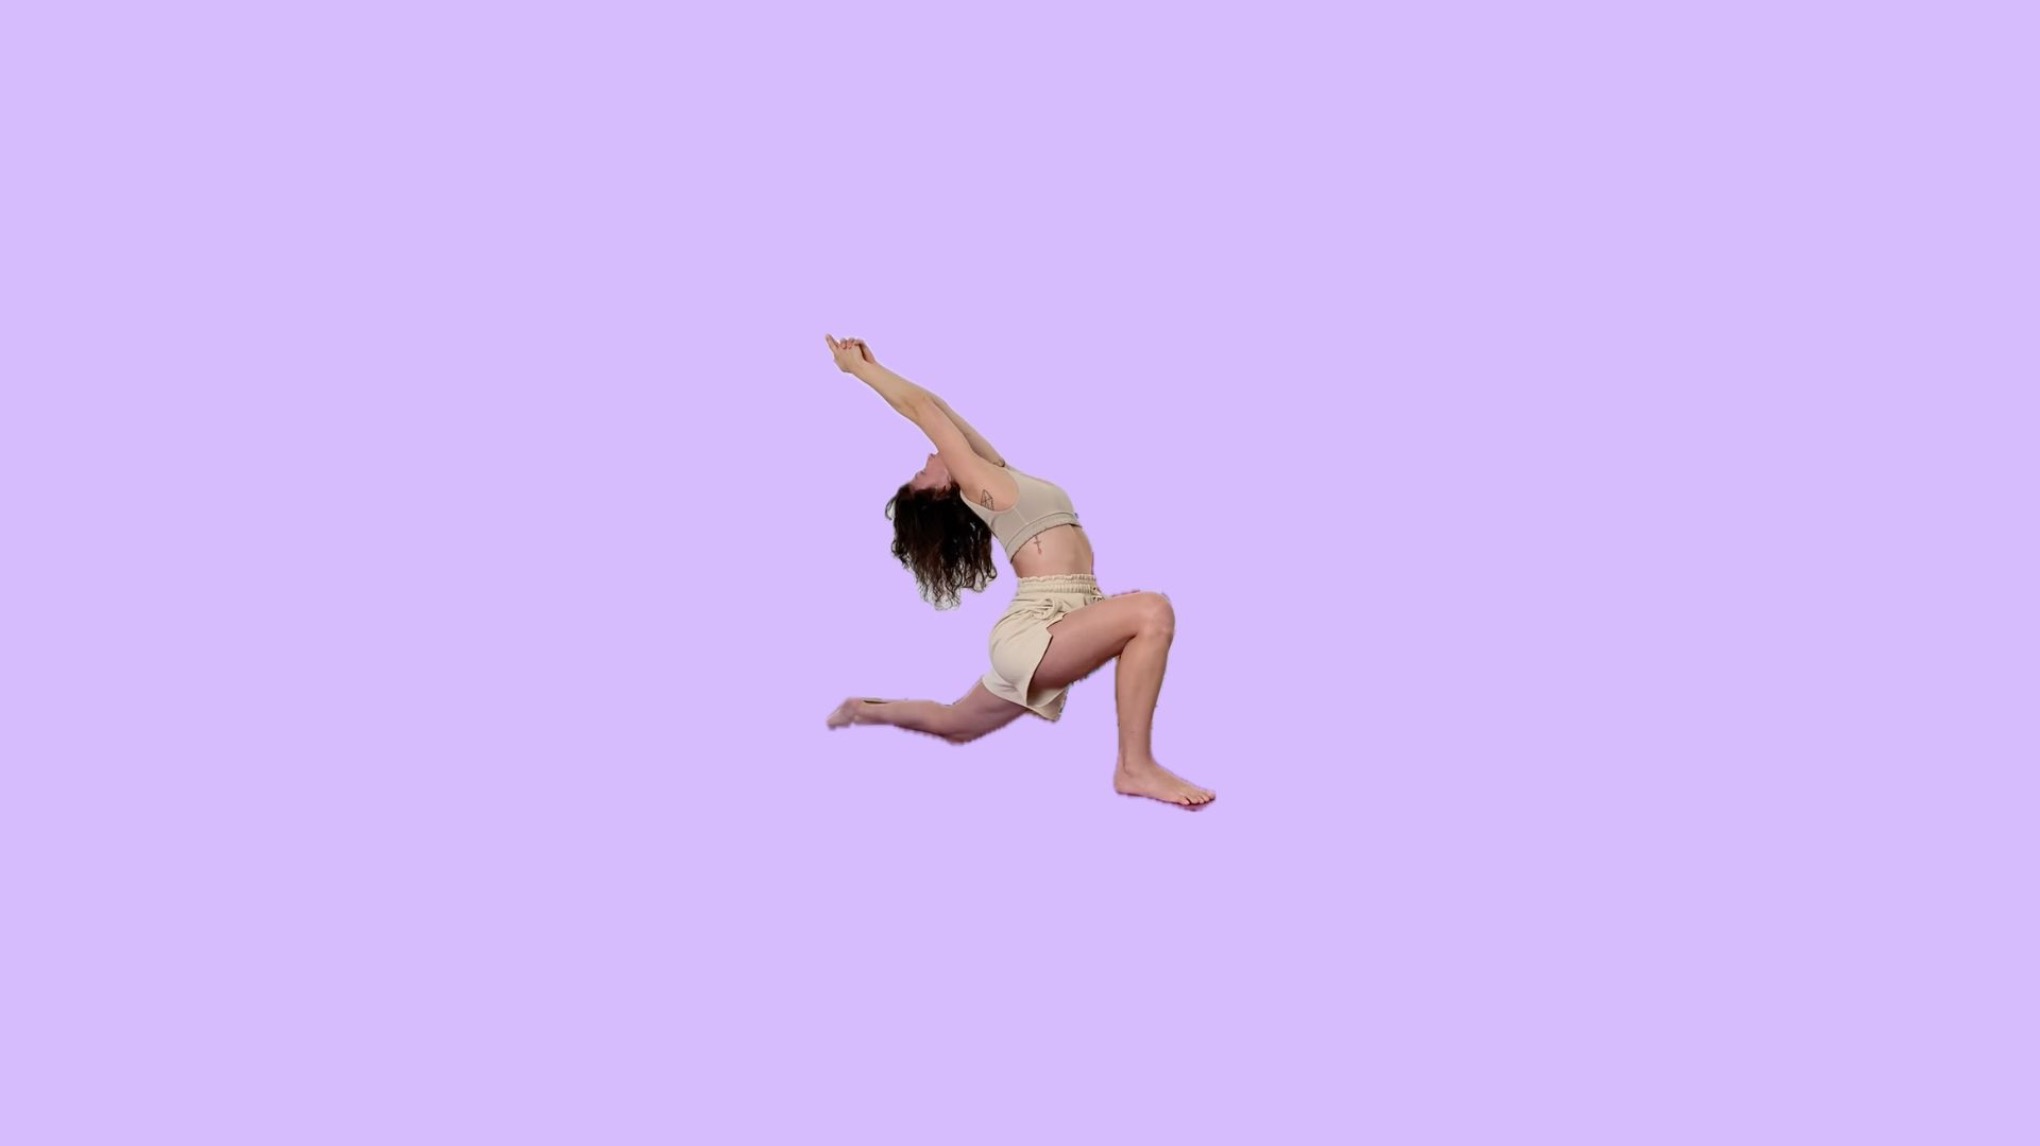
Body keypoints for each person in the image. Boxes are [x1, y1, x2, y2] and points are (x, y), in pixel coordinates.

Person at [821, 334, 1215, 808]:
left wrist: (876, 363)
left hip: (1060, 619)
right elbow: (921, 410)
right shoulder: (977, 486)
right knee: (1151, 611)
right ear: (942, 492)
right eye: (921, 474)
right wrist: (858, 370)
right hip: (1039, 626)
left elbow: (936, 406)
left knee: (955, 723)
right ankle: (1135, 766)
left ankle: (859, 710)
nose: (926, 458)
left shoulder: (997, 473)